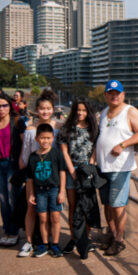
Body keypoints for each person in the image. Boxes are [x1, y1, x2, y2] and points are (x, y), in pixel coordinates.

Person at [96, 80, 138, 256]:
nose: (114, 95)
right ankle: (112, 233)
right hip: (102, 166)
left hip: (120, 167)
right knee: (107, 204)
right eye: (111, 93)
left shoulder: (130, 111)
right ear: (106, 95)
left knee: (118, 205)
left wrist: (123, 144)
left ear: (123, 95)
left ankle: (119, 240)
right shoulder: (103, 113)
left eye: (117, 93)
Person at [17, 89, 62, 257]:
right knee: (31, 207)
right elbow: (25, 154)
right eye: (42, 108)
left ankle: (50, 241)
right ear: (37, 109)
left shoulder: (58, 128)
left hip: (52, 177)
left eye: (48, 108)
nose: (45, 111)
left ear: (53, 109)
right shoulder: (30, 130)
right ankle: (29, 241)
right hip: (34, 175)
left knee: (52, 212)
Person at [58, 97, 98, 254]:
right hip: (71, 171)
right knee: (74, 207)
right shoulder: (66, 129)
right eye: (78, 110)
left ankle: (85, 238)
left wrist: (90, 167)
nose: (81, 113)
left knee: (86, 207)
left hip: (87, 172)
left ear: (88, 112)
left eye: (84, 110)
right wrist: (73, 172)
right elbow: (64, 152)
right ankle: (74, 238)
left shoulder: (93, 128)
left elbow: (95, 149)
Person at [0, 93, 25, 247]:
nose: (1, 109)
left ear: (10, 106)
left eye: (4, 105)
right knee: (3, 201)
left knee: (12, 199)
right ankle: (6, 230)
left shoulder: (17, 122)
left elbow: (25, 143)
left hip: (12, 165)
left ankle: (14, 232)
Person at [25, 123, 66, 257]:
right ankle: (44, 244)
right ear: (37, 139)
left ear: (53, 138)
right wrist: (31, 194)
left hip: (54, 189)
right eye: (42, 138)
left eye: (48, 138)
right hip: (40, 191)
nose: (45, 141)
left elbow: (62, 173)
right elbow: (30, 178)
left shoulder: (56, 153)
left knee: (55, 217)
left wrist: (62, 191)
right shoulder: (33, 157)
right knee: (42, 218)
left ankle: (55, 244)